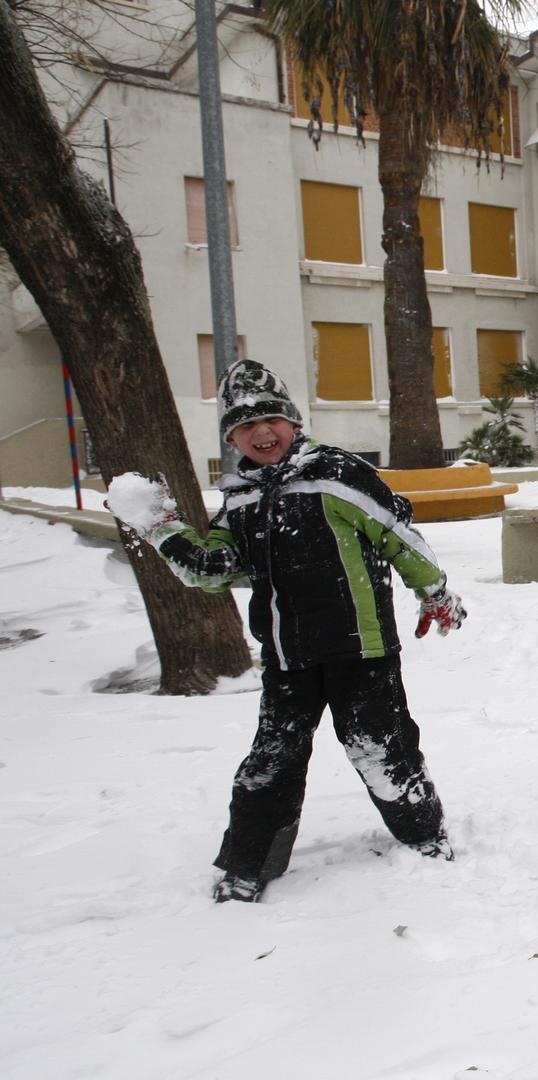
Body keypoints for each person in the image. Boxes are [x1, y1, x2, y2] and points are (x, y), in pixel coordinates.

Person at [109, 359, 466, 903]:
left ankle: (425, 836)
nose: (261, 432)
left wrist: (435, 591)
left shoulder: (335, 473)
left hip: (360, 649)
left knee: (380, 749)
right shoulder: (241, 498)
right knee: (270, 763)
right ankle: (248, 865)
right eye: (244, 425)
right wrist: (160, 528)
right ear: (232, 437)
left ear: (293, 423)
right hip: (286, 656)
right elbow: (212, 570)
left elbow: (397, 535)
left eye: (270, 418)